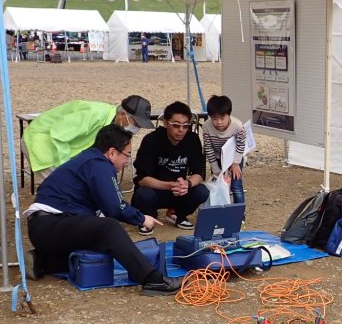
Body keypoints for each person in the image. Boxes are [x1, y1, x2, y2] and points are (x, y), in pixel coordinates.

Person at [24, 125, 180, 295]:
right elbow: (116, 207)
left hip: (46, 226)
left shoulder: (90, 160)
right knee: (109, 227)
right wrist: (142, 218)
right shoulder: (99, 165)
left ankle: (43, 261)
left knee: (100, 244)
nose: (127, 161)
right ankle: (152, 279)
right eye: (127, 155)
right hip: (50, 224)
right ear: (112, 152)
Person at [24, 95, 154, 178]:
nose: (136, 128)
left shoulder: (115, 126)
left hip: (65, 148)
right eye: (135, 123)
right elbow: (59, 136)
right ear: (122, 114)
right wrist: (67, 169)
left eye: (140, 125)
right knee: (62, 187)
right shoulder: (94, 114)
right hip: (43, 142)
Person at [131, 101, 209, 234]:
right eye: (176, 125)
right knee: (144, 194)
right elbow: (142, 179)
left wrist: (187, 184)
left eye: (185, 126)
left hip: (179, 190)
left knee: (202, 191)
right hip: (156, 189)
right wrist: (170, 185)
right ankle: (148, 217)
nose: (181, 130)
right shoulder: (151, 140)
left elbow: (198, 173)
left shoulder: (192, 139)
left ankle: (177, 214)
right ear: (166, 123)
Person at [202, 94, 247, 207]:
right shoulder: (206, 127)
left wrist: (235, 163)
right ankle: (219, 209)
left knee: (236, 186)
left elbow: (241, 144)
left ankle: (240, 213)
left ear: (229, 115)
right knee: (218, 185)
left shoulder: (237, 126)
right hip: (217, 158)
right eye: (214, 119)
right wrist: (216, 169)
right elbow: (208, 148)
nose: (219, 122)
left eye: (222, 118)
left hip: (234, 157)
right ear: (210, 116)